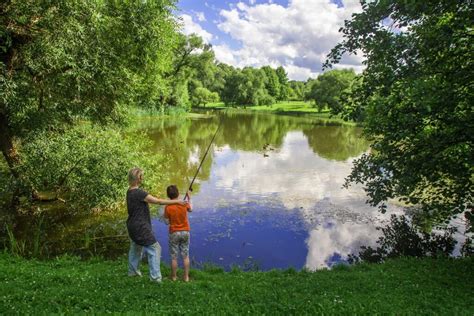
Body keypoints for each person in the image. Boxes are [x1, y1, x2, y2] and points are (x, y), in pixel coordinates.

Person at [126, 167, 186, 283]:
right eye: (141, 176)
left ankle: (132, 272)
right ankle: (155, 278)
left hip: (131, 225)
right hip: (140, 227)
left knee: (135, 247)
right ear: (139, 178)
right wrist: (177, 201)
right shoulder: (139, 193)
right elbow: (158, 201)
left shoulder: (129, 191)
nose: (142, 178)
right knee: (155, 248)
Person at [164, 185, 192, 282]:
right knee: (185, 255)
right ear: (178, 193)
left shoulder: (168, 207)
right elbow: (191, 209)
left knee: (174, 257)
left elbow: (167, 222)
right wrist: (188, 197)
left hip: (174, 233)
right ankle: (186, 277)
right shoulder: (184, 203)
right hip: (185, 232)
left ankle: (174, 277)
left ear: (168, 196)